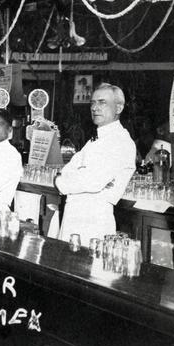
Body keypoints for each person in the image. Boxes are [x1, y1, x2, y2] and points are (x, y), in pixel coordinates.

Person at [54, 83, 136, 245]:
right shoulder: (96, 140)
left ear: (118, 108)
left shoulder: (120, 141)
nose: (95, 108)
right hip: (74, 215)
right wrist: (70, 176)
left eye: (102, 102)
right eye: (92, 102)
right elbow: (69, 169)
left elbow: (91, 182)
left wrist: (59, 181)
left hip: (94, 220)